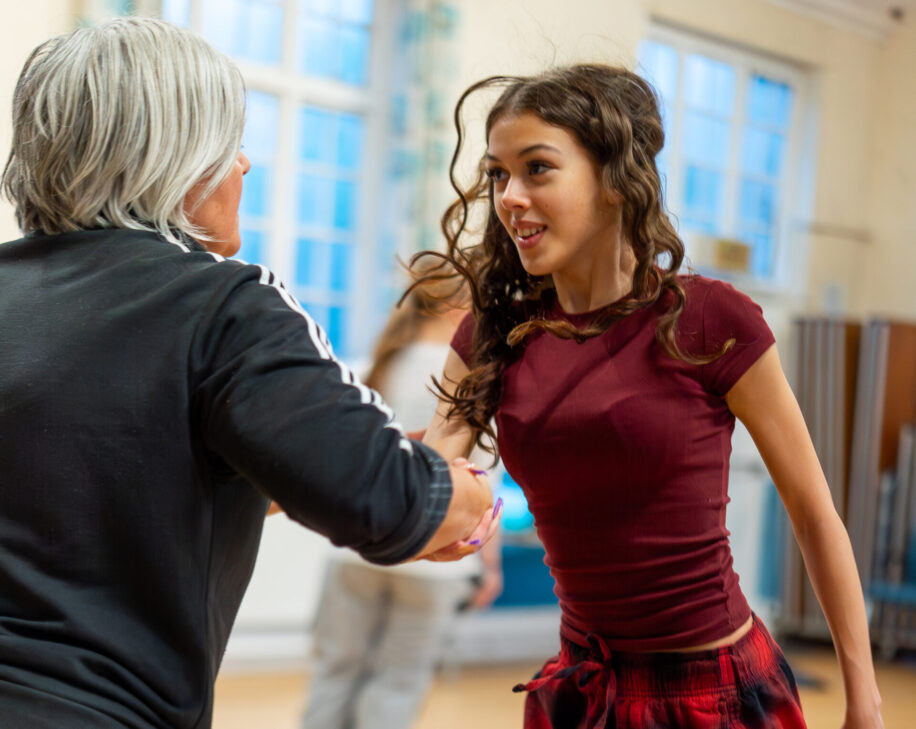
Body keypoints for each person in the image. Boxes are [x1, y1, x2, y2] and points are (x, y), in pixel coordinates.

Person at [0, 18, 496, 729]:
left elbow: (113, 483)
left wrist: (298, 470)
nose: (245, 167)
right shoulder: (225, 302)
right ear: (175, 158)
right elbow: (393, 502)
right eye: (231, 146)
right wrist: (465, 499)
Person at [417, 64, 884, 728]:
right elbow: (430, 479)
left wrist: (864, 699)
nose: (509, 196)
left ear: (613, 178)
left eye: (537, 168)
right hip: (583, 693)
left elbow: (813, 513)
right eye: (497, 174)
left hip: (716, 697)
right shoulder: (493, 333)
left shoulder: (709, 320)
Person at [302, 269, 503, 729]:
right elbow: (478, 482)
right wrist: (488, 565)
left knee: (334, 674)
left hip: (354, 552)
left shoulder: (378, 365)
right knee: (398, 682)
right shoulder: (470, 378)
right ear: (460, 310)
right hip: (434, 559)